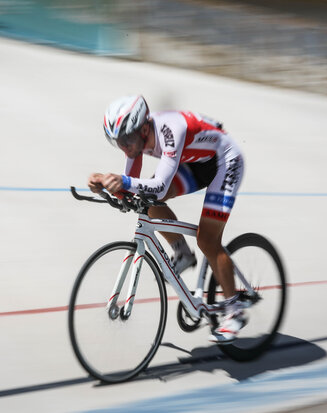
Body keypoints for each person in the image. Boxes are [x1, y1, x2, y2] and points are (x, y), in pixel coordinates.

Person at [88, 95, 246, 344]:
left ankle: (234, 311)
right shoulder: (137, 140)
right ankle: (182, 253)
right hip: (195, 161)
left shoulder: (171, 130)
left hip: (225, 161)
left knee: (208, 240)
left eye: (127, 140)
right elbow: (132, 187)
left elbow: (159, 186)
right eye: (119, 143)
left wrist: (124, 182)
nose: (125, 148)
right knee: (146, 200)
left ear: (144, 128)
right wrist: (105, 186)